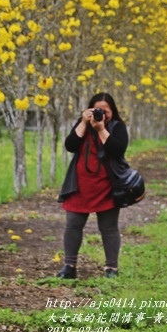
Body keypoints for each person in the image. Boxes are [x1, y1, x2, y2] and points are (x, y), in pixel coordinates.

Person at [55, 92, 128, 279]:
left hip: (107, 185)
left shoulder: (118, 127)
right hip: (79, 184)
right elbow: (70, 145)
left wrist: (101, 128)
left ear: (113, 111)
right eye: (97, 110)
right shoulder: (83, 125)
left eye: (106, 110)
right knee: (73, 225)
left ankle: (111, 268)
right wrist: (83, 122)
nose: (101, 114)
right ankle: (69, 266)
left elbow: (117, 150)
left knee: (109, 227)